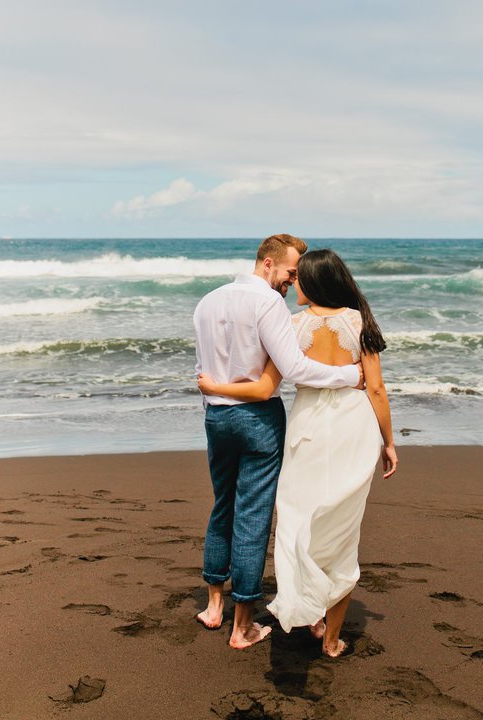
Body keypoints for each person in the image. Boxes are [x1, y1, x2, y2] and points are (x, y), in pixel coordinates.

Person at [198, 248, 397, 658]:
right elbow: (375, 388)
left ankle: (296, 608)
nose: (293, 285)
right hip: (351, 427)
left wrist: (214, 388)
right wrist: (389, 442)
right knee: (340, 522)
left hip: (302, 427)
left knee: (296, 516)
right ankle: (326, 631)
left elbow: (273, 380)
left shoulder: (289, 324)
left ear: (315, 282)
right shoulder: (359, 321)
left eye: (299, 278)